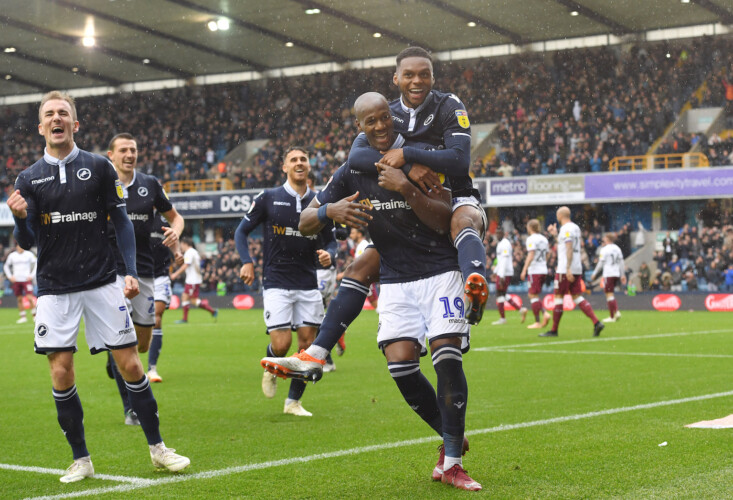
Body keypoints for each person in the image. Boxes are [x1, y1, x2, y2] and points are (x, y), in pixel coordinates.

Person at [262, 93, 481, 491]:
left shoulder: (425, 157)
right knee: (401, 367)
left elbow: (442, 220)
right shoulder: (351, 169)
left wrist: (407, 186)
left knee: (447, 360)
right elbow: (306, 220)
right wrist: (329, 211)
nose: (380, 126)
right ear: (358, 127)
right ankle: (452, 434)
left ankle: (452, 462)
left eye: (385, 118)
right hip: (396, 278)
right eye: (371, 121)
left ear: (392, 117)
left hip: (439, 269)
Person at [7, 91, 188, 483]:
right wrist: (19, 218)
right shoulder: (29, 178)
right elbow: (28, 240)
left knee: (131, 364)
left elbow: (121, 222)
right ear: (41, 127)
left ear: (75, 124)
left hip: (102, 281)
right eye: (49, 114)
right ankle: (81, 459)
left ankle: (158, 449)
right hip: (54, 287)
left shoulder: (99, 167)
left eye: (63, 113)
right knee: (61, 372)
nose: (57, 118)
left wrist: (128, 270)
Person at [235, 146, 338, 417]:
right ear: (285, 167)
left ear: (309, 166)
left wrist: (330, 253)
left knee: (307, 348)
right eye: (293, 160)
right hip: (276, 281)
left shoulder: (320, 201)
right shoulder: (269, 198)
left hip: (308, 282)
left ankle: (293, 402)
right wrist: (246, 261)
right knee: (281, 345)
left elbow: (332, 241)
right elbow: (241, 231)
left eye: (303, 159)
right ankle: (271, 366)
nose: (299, 163)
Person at [105, 133, 185, 424]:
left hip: (145, 272)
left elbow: (176, 217)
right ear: (111, 155)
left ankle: (113, 358)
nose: (130, 155)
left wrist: (176, 231)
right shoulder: (101, 184)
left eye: (133, 150)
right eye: (123, 150)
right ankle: (131, 408)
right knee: (122, 344)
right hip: (111, 272)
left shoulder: (149, 184)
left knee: (142, 344)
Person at [540, 206, 604, 338]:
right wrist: (555, 234)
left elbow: (569, 247)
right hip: (576, 267)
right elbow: (565, 245)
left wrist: (567, 268)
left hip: (565, 268)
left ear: (560, 216)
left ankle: (554, 330)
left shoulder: (566, 229)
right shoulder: (575, 228)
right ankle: (596, 322)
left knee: (558, 298)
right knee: (576, 297)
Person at [147, 213, 185, 383]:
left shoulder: (164, 217)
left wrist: (177, 252)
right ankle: (116, 359)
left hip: (161, 275)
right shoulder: (135, 210)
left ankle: (152, 368)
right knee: (131, 323)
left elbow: (173, 237)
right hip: (139, 274)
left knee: (156, 318)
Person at [170, 237, 218, 323]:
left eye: (181, 244)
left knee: (193, 300)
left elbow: (186, 265)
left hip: (193, 281)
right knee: (184, 297)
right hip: (192, 280)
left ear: (185, 244)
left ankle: (212, 311)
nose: (181, 246)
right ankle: (185, 319)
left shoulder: (189, 252)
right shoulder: (193, 252)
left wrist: (175, 274)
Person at [519, 219, 552, 329]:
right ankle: (543, 314)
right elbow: (548, 254)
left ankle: (539, 320)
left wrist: (524, 269)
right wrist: (543, 263)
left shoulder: (531, 239)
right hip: (543, 269)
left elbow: (531, 254)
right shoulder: (544, 239)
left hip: (535, 270)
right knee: (533, 295)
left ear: (529, 228)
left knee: (533, 295)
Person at [490, 228, 527, 325]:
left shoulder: (505, 244)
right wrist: (496, 272)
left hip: (505, 273)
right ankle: (521, 309)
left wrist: (501, 275)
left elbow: (505, 260)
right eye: (496, 233)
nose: (497, 235)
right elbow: (500, 260)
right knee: (502, 294)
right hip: (502, 272)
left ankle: (503, 318)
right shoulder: (501, 243)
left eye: (499, 233)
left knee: (499, 294)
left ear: (503, 233)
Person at [590, 233, 626, 322]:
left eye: (605, 238)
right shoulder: (617, 248)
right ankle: (612, 316)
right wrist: (622, 275)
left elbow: (600, 263)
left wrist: (594, 273)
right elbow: (621, 262)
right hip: (616, 273)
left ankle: (615, 313)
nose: (603, 239)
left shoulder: (604, 249)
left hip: (608, 274)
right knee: (610, 293)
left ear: (607, 239)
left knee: (609, 294)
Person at [3, 242, 37, 324]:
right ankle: (23, 317)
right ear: (16, 247)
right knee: (19, 299)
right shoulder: (12, 255)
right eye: (19, 246)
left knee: (30, 298)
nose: (20, 247)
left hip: (26, 280)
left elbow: (36, 263)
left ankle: (35, 316)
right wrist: (10, 276)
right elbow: (6, 266)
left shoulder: (28, 254)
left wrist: (32, 275)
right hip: (17, 280)